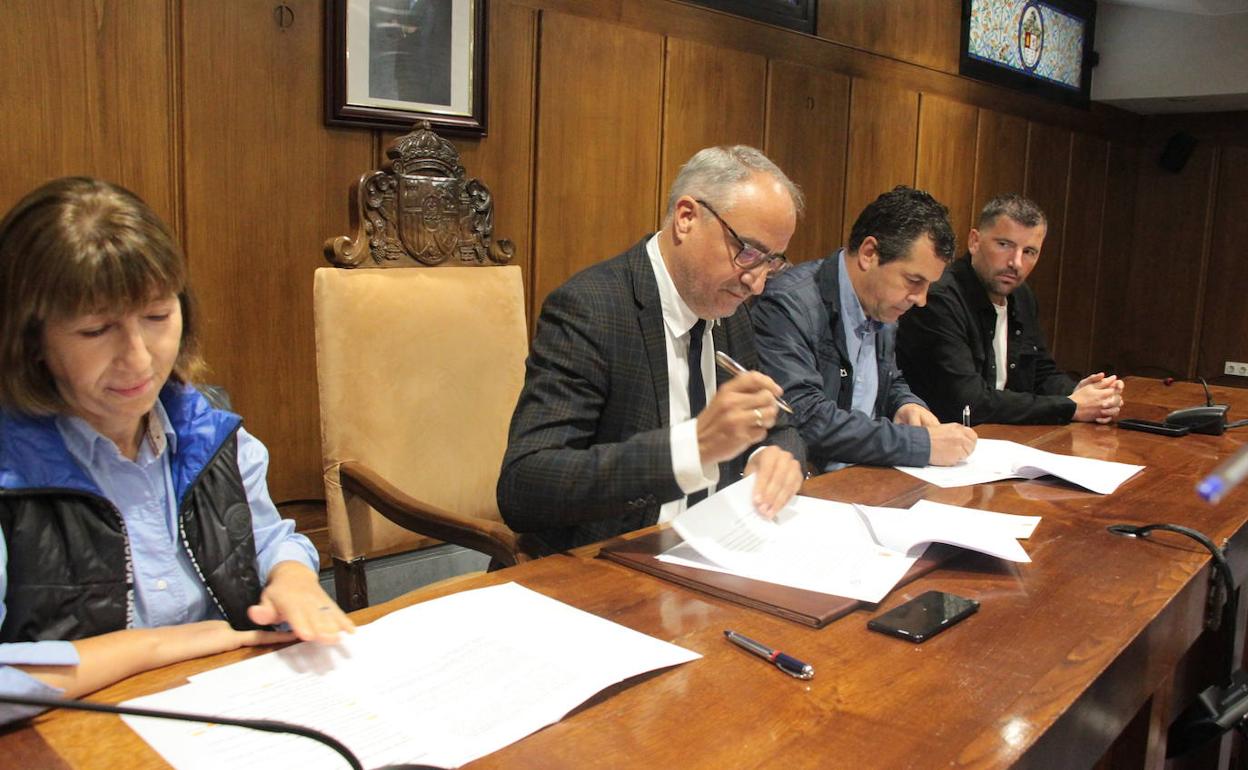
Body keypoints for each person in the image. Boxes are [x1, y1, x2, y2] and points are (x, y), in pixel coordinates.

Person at [0, 177, 353, 725]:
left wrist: (293, 579)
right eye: (97, 330)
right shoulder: (11, 473)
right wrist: (156, 646)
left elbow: (269, 540)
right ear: (30, 340)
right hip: (75, 735)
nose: (139, 358)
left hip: (225, 708)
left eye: (158, 317)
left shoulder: (211, 436)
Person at [497, 146, 807, 553]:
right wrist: (690, 450)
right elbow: (526, 487)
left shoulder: (729, 308)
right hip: (607, 565)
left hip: (715, 554)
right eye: (747, 253)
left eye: (772, 263)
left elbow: (778, 420)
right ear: (686, 218)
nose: (757, 284)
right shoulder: (591, 309)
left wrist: (775, 454)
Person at [751, 186, 977, 472]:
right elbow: (805, 416)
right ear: (869, 253)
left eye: (928, 285)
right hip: (810, 487)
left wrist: (906, 405)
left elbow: (889, 379)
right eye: (913, 280)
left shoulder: (882, 303)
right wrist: (919, 443)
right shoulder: (787, 304)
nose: (921, 299)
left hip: (865, 478)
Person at [896, 193, 1124, 425]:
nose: (1016, 262)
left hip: (1005, 439)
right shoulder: (939, 299)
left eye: (1029, 252)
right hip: (948, 441)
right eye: (1005, 245)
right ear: (974, 241)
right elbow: (968, 401)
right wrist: (1071, 406)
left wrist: (1088, 393)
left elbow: (1041, 373)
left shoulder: (1022, 296)